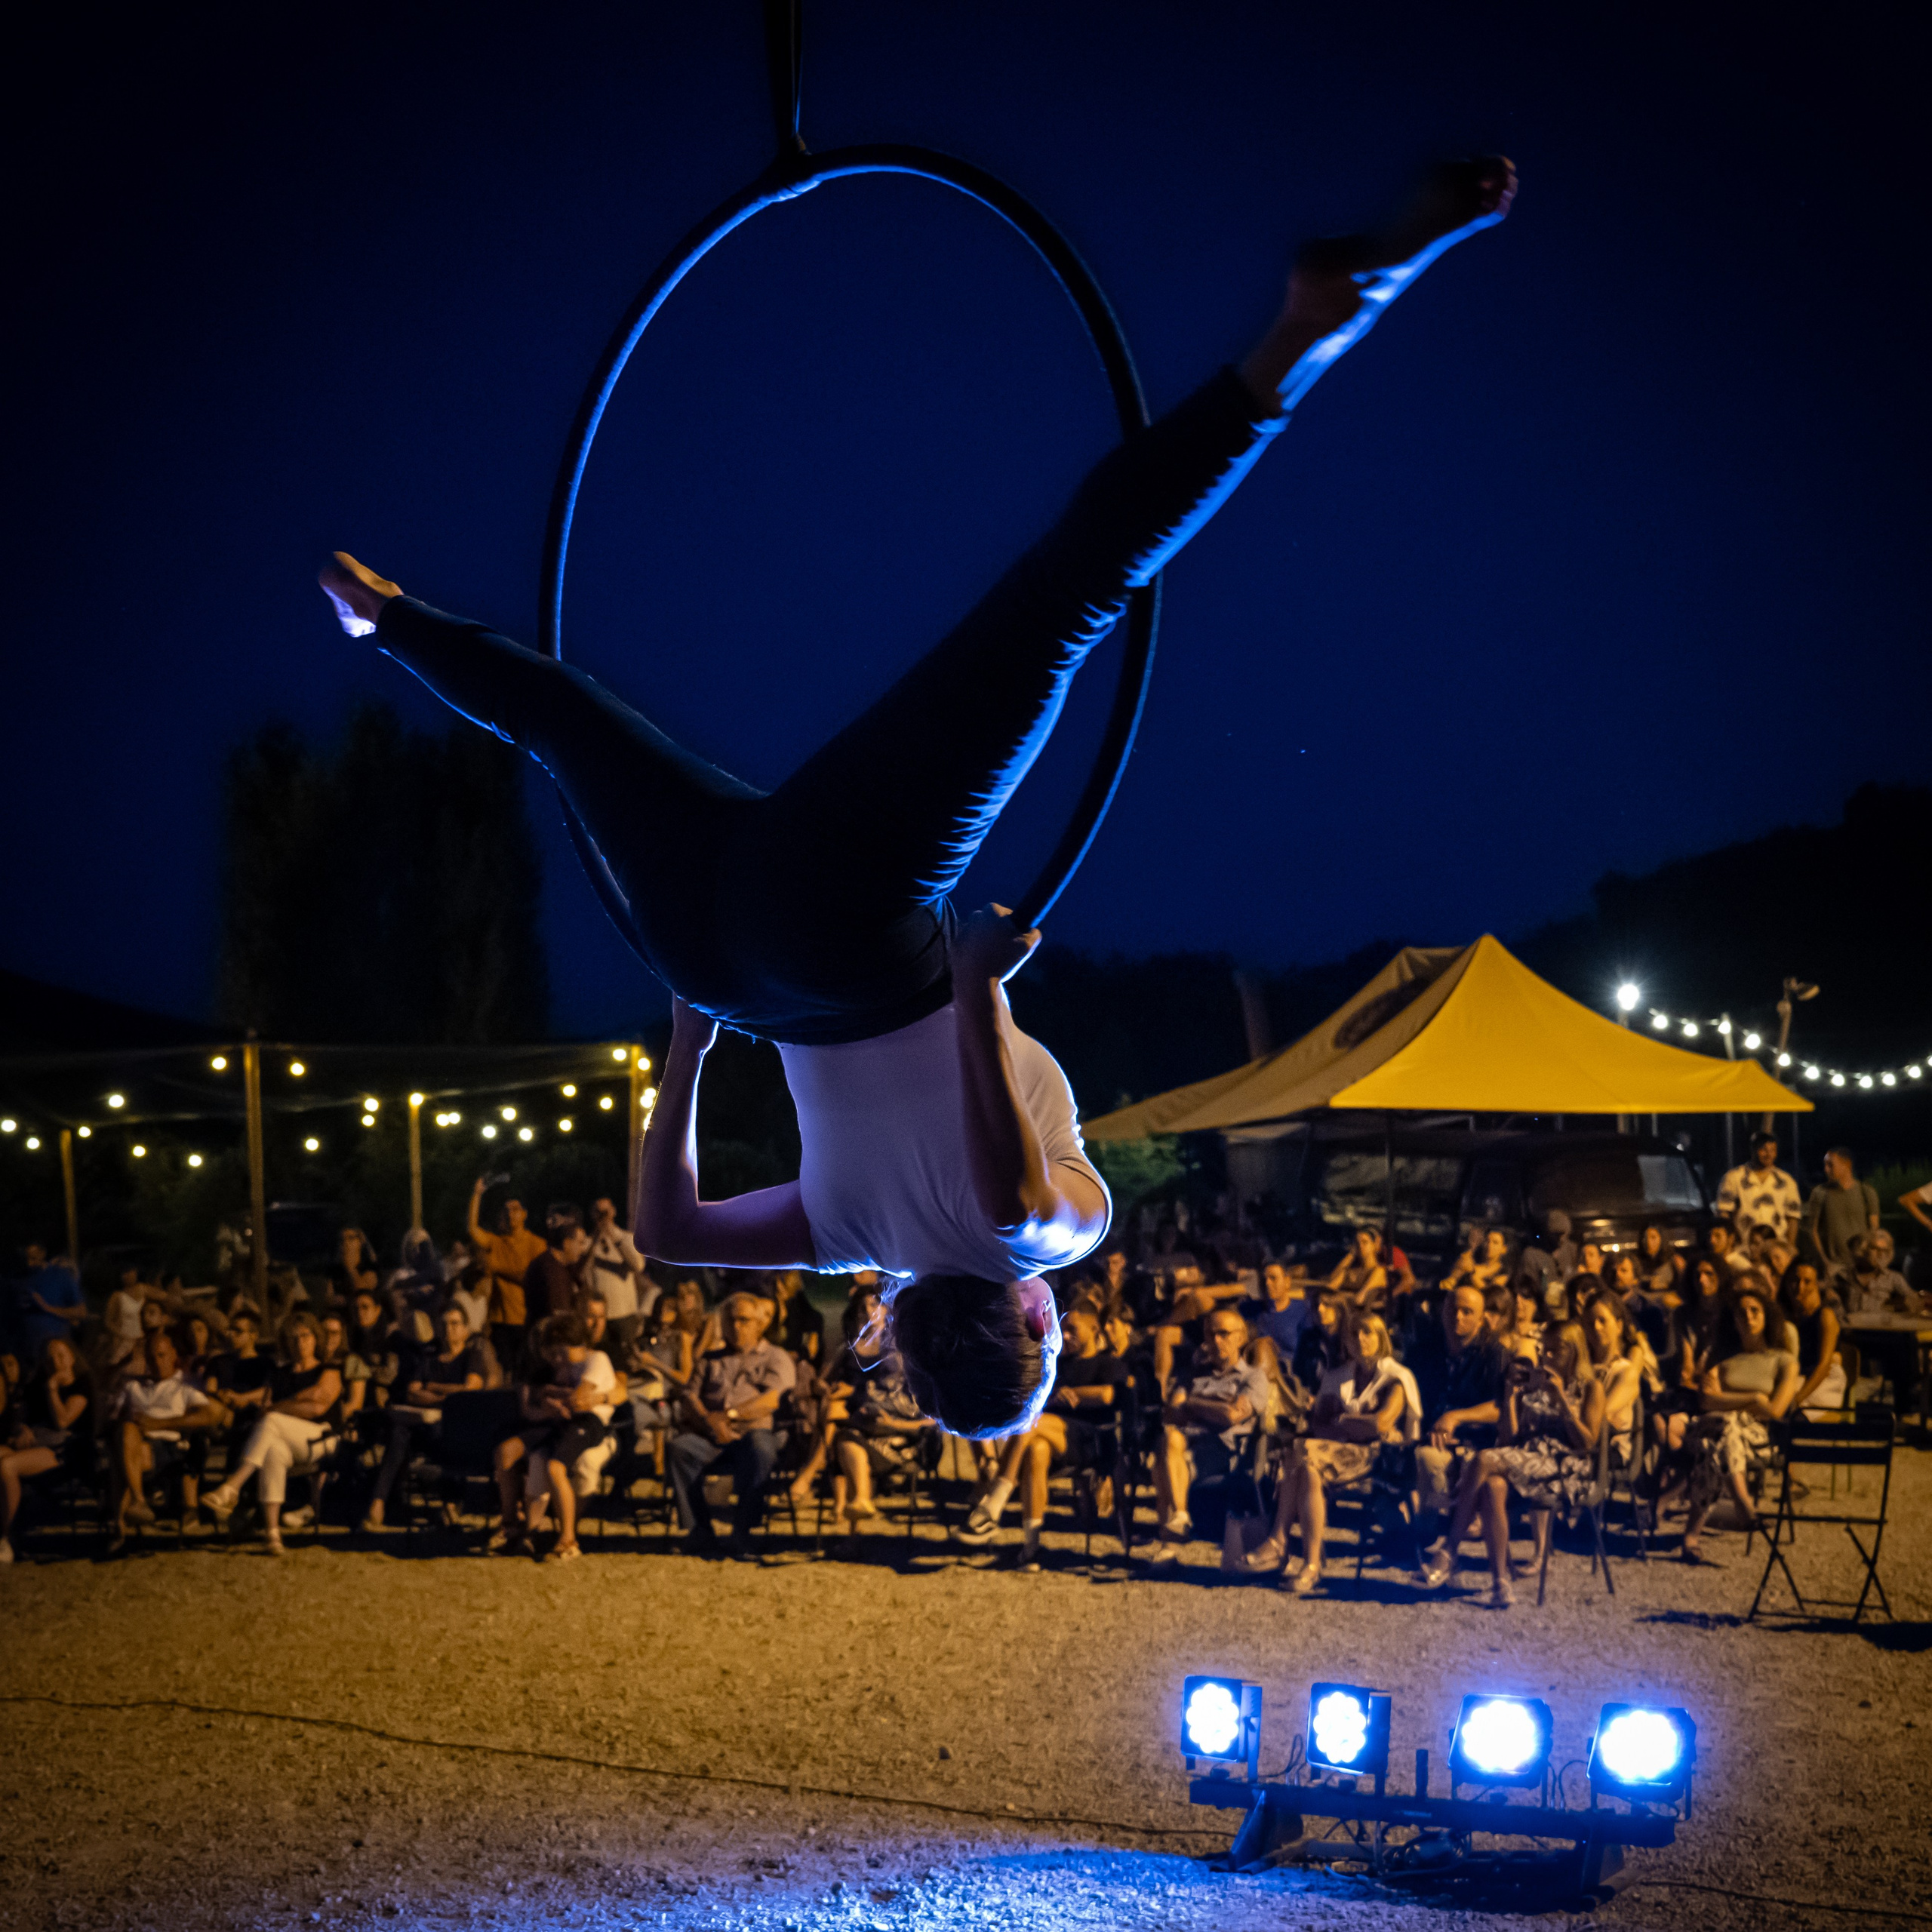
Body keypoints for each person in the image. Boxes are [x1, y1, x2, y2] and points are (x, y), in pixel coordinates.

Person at [321, 160, 1517, 1440]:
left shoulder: (1049, 1241)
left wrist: (982, 990)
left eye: (1046, 1333)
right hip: (711, 959)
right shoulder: (846, 1240)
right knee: (564, 725)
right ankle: (383, 619)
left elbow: (1012, 1207)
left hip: (854, 937)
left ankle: (1305, 335)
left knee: (1066, 601)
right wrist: (690, 1045)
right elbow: (667, 1229)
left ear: (1035, 1325)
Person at [1420, 1320, 1607, 1607]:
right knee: (1493, 1486)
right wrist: (1509, 1399)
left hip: (1566, 1467)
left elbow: (1587, 1443)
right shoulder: (1537, 1384)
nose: (1546, 1358)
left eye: (1555, 1351)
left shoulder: (1591, 1388)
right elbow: (1510, 1441)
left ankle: (1450, 1549)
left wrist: (1561, 1401)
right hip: (1528, 1460)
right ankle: (1501, 1585)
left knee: (1483, 1458)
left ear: (1573, 1352)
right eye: (1544, 1351)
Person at [1243, 1310, 1418, 1595]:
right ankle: (1311, 1565)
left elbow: (1381, 1425)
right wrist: (1352, 1424)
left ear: (1381, 1338)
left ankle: (1280, 1542)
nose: (1360, 1339)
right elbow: (1318, 1425)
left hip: (1380, 1457)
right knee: (1307, 1467)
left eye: (1367, 1332)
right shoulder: (1338, 1377)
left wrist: (1341, 1420)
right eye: (1354, 1334)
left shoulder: (1396, 1378)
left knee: (1301, 1452)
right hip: (1334, 1452)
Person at [957, 1301, 1128, 1559]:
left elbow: (1107, 1395)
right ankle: (1032, 1547)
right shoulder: (1061, 1364)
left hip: (1091, 1442)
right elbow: (1037, 1396)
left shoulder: (1107, 1363)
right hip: (1056, 1441)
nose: (1065, 1336)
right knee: (1037, 1449)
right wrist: (1057, 1395)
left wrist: (1073, 1394)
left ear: (1094, 1328)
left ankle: (994, 1503)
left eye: (1073, 1329)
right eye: (1063, 1329)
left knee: (1033, 1421)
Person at [666, 1291, 798, 1555]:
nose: (736, 1326)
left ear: (759, 1324)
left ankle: (743, 1530)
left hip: (753, 1432)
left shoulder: (775, 1357)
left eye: (743, 1320)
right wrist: (709, 1421)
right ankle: (700, 1530)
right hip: (711, 1435)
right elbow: (689, 1396)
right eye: (730, 1320)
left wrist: (730, 1416)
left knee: (761, 1449)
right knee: (679, 1448)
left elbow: (771, 1400)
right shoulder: (710, 1359)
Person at [202, 1314, 344, 1554]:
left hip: (323, 1438)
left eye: (306, 1336)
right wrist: (298, 1401)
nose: (300, 1342)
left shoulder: (328, 1370)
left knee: (272, 1420)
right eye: (294, 1338)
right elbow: (266, 1410)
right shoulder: (280, 1375)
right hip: (289, 1440)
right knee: (273, 1451)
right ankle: (272, 1534)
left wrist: (279, 1407)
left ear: (315, 1338)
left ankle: (233, 1485)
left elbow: (318, 1407)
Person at [1679, 1282, 1799, 1561]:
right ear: (1732, 1320)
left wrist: (1727, 1401)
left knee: (1716, 1442)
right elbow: (1706, 1401)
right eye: (1741, 1312)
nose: (1748, 1317)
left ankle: (1692, 1535)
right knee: (1725, 1427)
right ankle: (1743, 1503)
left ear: (1766, 1316)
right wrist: (1754, 1398)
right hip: (1716, 1428)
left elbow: (1776, 1411)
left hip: (1758, 1439)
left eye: (1755, 1311)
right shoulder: (1723, 1359)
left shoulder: (1783, 1361)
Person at [491, 1311, 619, 1562]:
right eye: (553, 1350)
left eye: (561, 1349)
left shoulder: (596, 1359)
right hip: (561, 1421)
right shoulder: (561, 1366)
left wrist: (550, 1397)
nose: (557, 1357)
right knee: (530, 1457)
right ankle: (520, 1529)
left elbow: (579, 1399)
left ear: (578, 1344)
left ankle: (568, 1539)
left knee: (555, 1467)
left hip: (588, 1423)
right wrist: (549, 1399)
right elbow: (536, 1404)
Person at [1150, 1309, 1268, 1552]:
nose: (1215, 1341)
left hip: (1224, 1452)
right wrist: (1216, 1407)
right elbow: (1172, 1412)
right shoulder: (1194, 1375)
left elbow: (1233, 1415)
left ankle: (1169, 1547)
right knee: (1168, 1441)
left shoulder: (1253, 1377)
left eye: (1223, 1334)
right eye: (1210, 1334)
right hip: (1187, 1446)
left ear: (1241, 1338)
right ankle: (1180, 1517)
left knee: (1162, 1461)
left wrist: (1193, 1403)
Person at [361, 1303, 487, 1530]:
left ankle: (449, 1503)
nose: (449, 1329)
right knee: (398, 1434)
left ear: (466, 1329)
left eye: (455, 1324)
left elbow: (470, 1389)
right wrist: (447, 1397)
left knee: (444, 1433)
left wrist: (431, 1387)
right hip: (424, 1425)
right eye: (444, 1324)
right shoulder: (429, 1357)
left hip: (454, 1428)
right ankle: (378, 1501)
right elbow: (412, 1393)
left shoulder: (471, 1356)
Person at [1409, 1284, 1507, 1525]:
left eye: (1467, 1312)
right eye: (1452, 1309)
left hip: (1475, 1441)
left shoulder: (1494, 1354)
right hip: (1430, 1435)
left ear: (1481, 1320)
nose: (1458, 1316)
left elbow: (1501, 1406)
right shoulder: (1424, 1351)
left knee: (1430, 1459)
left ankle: (1450, 1517)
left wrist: (1456, 1417)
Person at [112, 1331, 219, 1541]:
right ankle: (135, 1506)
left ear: (173, 1355)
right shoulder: (133, 1387)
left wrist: (157, 1423)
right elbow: (111, 1418)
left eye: (162, 1356)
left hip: (168, 1447)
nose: (157, 1362)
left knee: (122, 1459)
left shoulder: (185, 1387)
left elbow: (209, 1414)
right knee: (126, 1433)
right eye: (152, 1358)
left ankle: (121, 1524)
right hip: (134, 1443)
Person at [0, 1337, 93, 1563]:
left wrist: (52, 1388)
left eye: (61, 1356)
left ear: (72, 1357)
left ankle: (5, 1538)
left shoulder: (81, 1386)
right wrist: (21, 1428)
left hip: (63, 1452)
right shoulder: (36, 1386)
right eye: (50, 1359)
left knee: (7, 1466)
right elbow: (20, 1418)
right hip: (34, 1446)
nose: (56, 1363)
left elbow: (63, 1421)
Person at [466, 1182, 547, 1374]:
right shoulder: (496, 1242)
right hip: (499, 1320)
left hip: (524, 1318)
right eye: (507, 1210)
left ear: (525, 1214)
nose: (511, 1214)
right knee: (503, 1369)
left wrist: (497, 1268)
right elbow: (473, 1229)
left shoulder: (536, 1244)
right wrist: (477, 1195)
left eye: (515, 1209)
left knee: (524, 1370)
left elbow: (530, 1278)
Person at [1801, 1147, 1881, 1278]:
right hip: (1833, 1267)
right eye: (1825, 1165)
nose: (1826, 1169)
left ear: (1847, 1165)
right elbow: (1812, 1230)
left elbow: (1874, 1229)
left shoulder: (1866, 1192)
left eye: (1830, 1165)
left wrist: (1870, 1261)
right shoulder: (1820, 1193)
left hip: (1861, 1266)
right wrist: (1826, 1263)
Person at [586, 1197, 651, 1358]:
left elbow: (638, 1265)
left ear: (613, 1212)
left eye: (606, 1211)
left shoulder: (627, 1238)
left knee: (627, 1358)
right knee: (600, 1356)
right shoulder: (589, 1243)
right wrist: (597, 1236)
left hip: (625, 1315)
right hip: (599, 1316)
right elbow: (583, 1272)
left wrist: (613, 1235)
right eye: (599, 1212)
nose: (603, 1216)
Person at [1779, 1260, 1845, 1414]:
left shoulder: (1825, 1316)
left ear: (1817, 1284)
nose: (1800, 1287)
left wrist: (1797, 1400)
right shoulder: (1791, 1317)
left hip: (1824, 1381)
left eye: (1807, 1282)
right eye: (1795, 1281)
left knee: (1783, 1402)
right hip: (1800, 1377)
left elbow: (1824, 1366)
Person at [1715, 1131, 1802, 1245]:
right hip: (1743, 1246)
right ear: (1753, 1150)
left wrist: (1790, 1247)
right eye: (1764, 1150)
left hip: (1776, 1247)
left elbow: (1793, 1217)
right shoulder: (1733, 1178)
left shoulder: (1786, 1181)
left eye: (1772, 1150)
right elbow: (1724, 1214)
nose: (1769, 1155)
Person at [521, 1205, 592, 1336]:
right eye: (580, 1243)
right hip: (550, 1341)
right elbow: (561, 1319)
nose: (583, 1249)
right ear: (567, 1243)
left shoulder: (557, 1265)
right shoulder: (552, 1273)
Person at [1324, 1227, 1390, 1308]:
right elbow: (1330, 1285)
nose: (1360, 1246)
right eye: (1357, 1243)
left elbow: (1360, 1299)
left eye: (1365, 1242)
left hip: (1359, 1313)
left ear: (1374, 1244)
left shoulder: (1379, 1271)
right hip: (1337, 1309)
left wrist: (1340, 1296)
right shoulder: (1349, 1272)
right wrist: (1351, 1254)